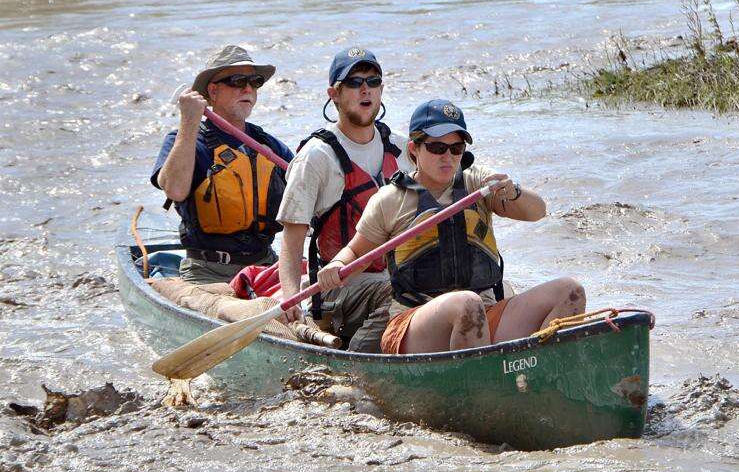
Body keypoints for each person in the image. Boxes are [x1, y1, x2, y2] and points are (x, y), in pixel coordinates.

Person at [316, 99, 586, 354]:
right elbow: (355, 254)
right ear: (414, 150)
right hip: (413, 323)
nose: (448, 157)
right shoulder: (389, 199)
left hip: (483, 312)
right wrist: (335, 266)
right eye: (437, 148)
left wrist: (513, 191)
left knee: (570, 291)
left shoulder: (478, 185)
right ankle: (479, 392)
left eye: (456, 149)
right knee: (466, 304)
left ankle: (540, 374)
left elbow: (538, 211)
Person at [276, 47, 414, 352]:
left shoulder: (403, 149)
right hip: (337, 288)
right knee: (398, 290)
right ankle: (356, 368)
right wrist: (290, 297)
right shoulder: (315, 157)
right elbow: (291, 238)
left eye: (373, 80)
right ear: (334, 94)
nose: (365, 89)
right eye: (353, 82)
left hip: (398, 275)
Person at [151, 45, 294, 284]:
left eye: (255, 81)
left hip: (264, 265)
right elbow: (174, 189)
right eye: (238, 80)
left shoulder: (269, 146)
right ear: (213, 91)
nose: (248, 88)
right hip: (207, 272)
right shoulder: (188, 140)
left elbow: (308, 191)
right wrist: (189, 121)